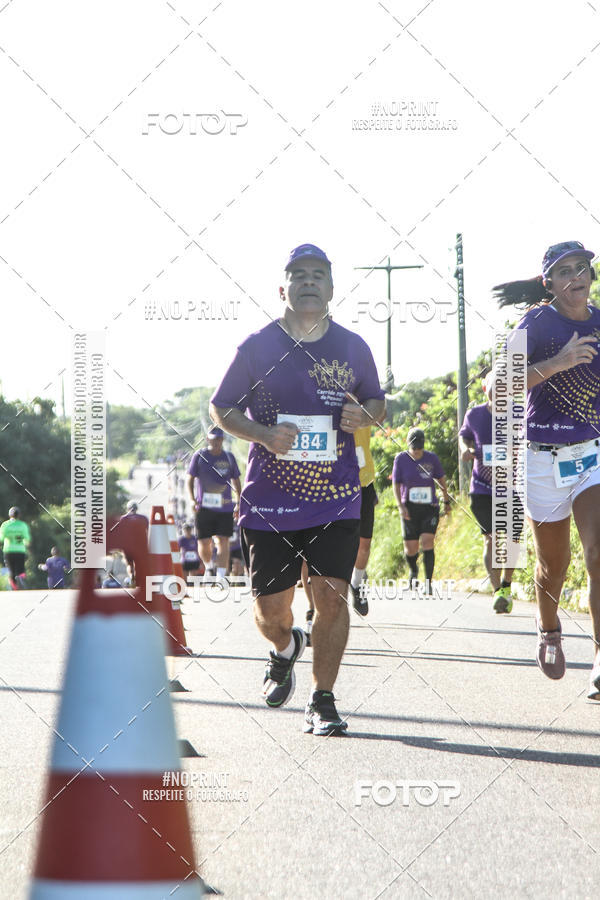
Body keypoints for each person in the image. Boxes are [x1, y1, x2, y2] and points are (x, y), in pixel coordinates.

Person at [209, 243, 386, 736]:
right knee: (272, 613)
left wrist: (368, 413)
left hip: (336, 497)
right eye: (299, 275)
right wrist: (264, 435)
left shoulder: (353, 347)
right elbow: (221, 408)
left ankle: (322, 699)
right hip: (269, 503)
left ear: (331, 288)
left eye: (319, 275)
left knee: (331, 598)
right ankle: (285, 649)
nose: (309, 282)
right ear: (282, 287)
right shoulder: (258, 348)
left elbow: (376, 400)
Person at [493, 239, 600, 697]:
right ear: (549, 283)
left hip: (593, 455)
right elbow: (496, 387)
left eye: (584, 268)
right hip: (542, 459)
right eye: (566, 271)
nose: (578, 277)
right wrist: (556, 363)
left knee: (599, 555)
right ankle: (549, 625)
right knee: (552, 567)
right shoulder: (536, 323)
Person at [459, 373, 517, 612]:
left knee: (513, 541)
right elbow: (463, 436)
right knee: (491, 539)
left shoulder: (517, 413)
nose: (499, 391)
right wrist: (465, 449)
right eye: (494, 387)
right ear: (486, 389)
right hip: (482, 488)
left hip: (512, 487)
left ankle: (506, 585)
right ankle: (497, 592)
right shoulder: (474, 414)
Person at [392, 428, 451, 595]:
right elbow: (396, 484)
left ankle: (428, 583)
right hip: (409, 506)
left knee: (427, 542)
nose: (417, 451)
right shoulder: (401, 459)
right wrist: (400, 506)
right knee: (411, 548)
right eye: (414, 448)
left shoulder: (432, 458)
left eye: (419, 448)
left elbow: (441, 480)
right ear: (408, 444)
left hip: (429, 508)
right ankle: (413, 571)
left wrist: (446, 500)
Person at [187, 427, 241, 580]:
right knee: (204, 542)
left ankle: (221, 576)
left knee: (223, 540)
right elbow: (190, 479)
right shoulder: (200, 456)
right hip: (204, 506)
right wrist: (192, 499)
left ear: (222, 440)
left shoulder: (229, 458)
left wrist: (239, 502)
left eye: (219, 439)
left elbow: (236, 481)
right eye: (213, 439)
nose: (216, 442)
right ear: (207, 439)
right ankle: (209, 566)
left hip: (224, 507)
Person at [348, 425, 379, 616]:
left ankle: (356, 583)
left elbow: (380, 412)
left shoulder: (363, 401)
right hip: (334, 481)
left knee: (364, 545)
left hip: (363, 483)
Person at [0, 507, 31, 590]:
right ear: (19, 515)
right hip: (20, 550)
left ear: (9, 515)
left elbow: (1, 539)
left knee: (11, 570)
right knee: (21, 568)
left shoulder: (5, 525)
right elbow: (27, 540)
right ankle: (21, 578)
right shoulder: (23, 525)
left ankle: (14, 586)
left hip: (8, 550)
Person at [119, 501, 149, 585]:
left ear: (128, 509)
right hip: (140, 545)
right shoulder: (143, 518)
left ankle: (131, 574)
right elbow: (148, 532)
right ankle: (136, 575)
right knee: (138, 563)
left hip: (127, 545)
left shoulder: (123, 518)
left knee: (129, 563)